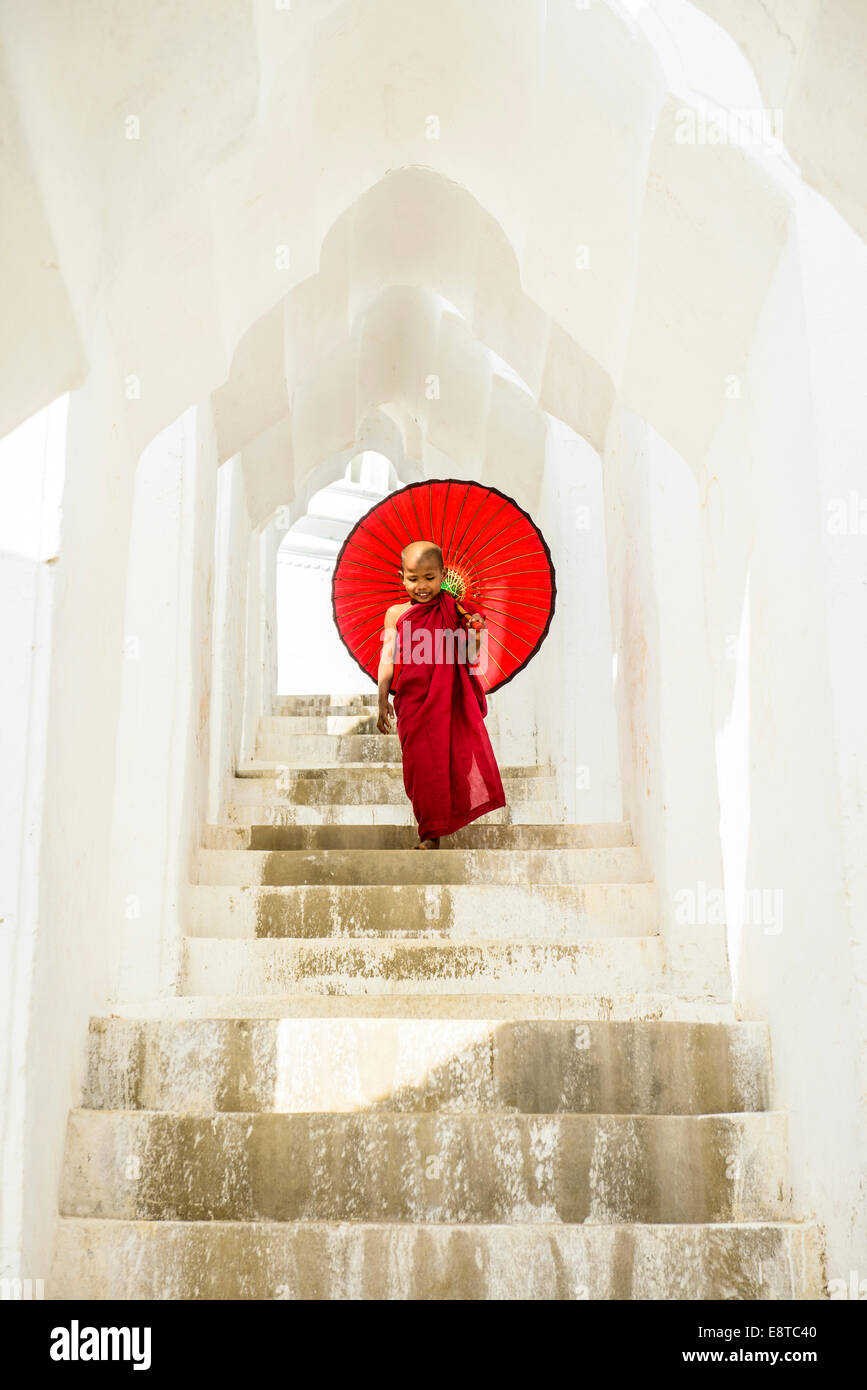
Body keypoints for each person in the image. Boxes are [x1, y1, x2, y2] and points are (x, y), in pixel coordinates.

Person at [376, 540, 506, 849]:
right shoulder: (396, 614)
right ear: (401, 577)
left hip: (448, 700)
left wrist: (474, 633)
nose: (421, 586)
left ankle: (432, 833)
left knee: (449, 760)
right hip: (411, 702)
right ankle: (429, 824)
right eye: (413, 578)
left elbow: (469, 655)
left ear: (443, 574)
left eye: (429, 578)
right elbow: (387, 656)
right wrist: (382, 698)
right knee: (420, 765)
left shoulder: (457, 611)